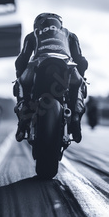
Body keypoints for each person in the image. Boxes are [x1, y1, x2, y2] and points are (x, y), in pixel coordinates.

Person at [14, 13, 88, 143]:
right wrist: (82, 76)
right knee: (79, 84)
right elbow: (81, 61)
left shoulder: (32, 35)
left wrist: (19, 75)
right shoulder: (70, 35)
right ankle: (75, 118)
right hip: (66, 67)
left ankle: (23, 123)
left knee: (21, 84)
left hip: (38, 66)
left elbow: (21, 61)